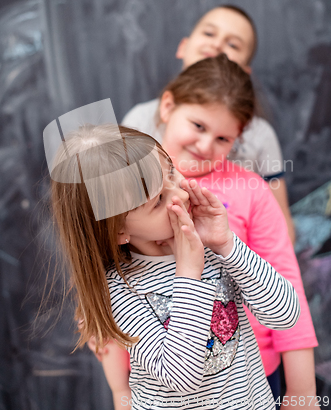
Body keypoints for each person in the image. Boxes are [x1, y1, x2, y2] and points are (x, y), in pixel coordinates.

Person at [97, 55, 317, 410]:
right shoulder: (122, 192)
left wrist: (227, 245)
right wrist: (120, 391)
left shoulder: (241, 200)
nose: (204, 145)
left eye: (223, 137)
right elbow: (159, 361)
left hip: (252, 379)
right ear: (167, 106)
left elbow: (287, 306)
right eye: (197, 126)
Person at [48, 121, 300, 410]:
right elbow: (181, 376)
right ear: (118, 231)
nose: (179, 194)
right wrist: (189, 274)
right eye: (158, 201)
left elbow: (285, 316)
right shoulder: (119, 290)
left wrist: (227, 245)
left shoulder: (209, 246)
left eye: (170, 172)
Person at [122, 5, 296, 244]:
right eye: (209, 34)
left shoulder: (261, 135)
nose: (217, 45)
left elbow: (279, 224)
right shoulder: (140, 119)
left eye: (233, 44)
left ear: (244, 73)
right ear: (183, 46)